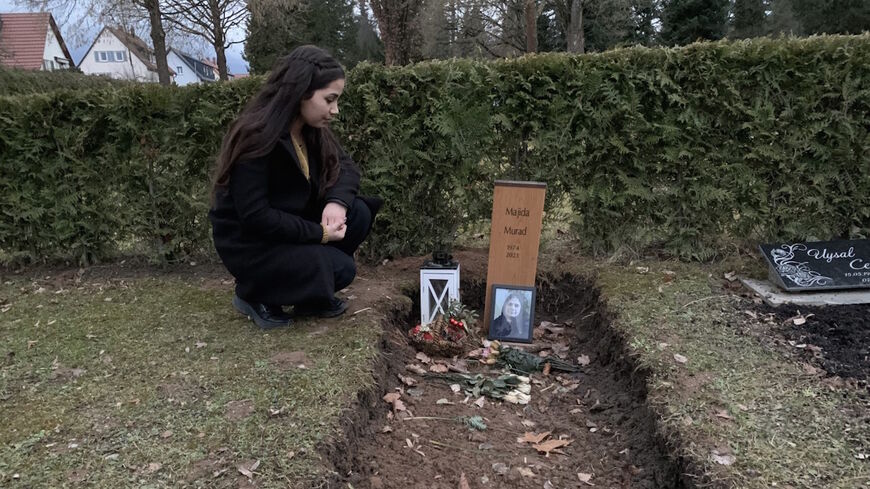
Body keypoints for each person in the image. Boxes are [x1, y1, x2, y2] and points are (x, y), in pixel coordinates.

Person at [209, 45, 381, 329]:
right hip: (254, 245)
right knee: (341, 269)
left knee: (357, 212)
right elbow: (256, 217)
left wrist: (336, 204)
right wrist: (320, 234)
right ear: (302, 92)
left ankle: (309, 295)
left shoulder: (312, 131)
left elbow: (347, 168)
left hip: (288, 230)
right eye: (330, 99)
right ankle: (253, 293)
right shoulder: (256, 137)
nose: (335, 110)